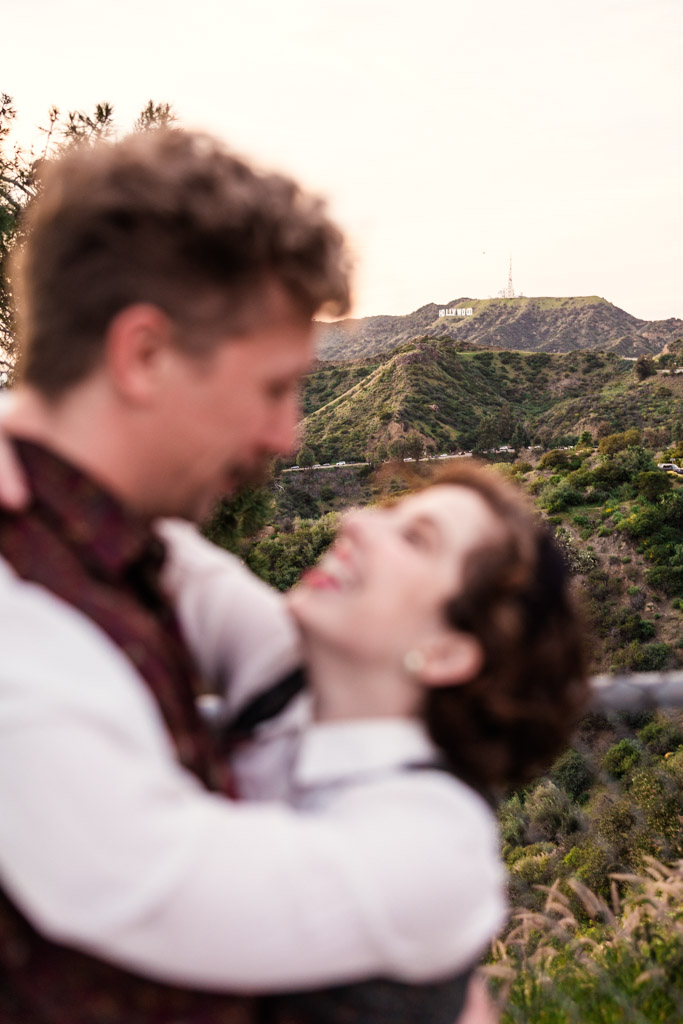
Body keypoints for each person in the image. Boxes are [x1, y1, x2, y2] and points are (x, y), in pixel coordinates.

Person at [0, 128, 511, 1023]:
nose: (286, 436)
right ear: (144, 355)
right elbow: (178, 884)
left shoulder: (120, 552)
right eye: (275, 387)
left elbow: (266, 649)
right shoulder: (25, 641)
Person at [160, 462, 591, 1023]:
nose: (356, 520)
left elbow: (151, 881)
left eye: (415, 539)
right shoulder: (291, 675)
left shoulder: (432, 847)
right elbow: (160, 551)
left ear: (446, 652)